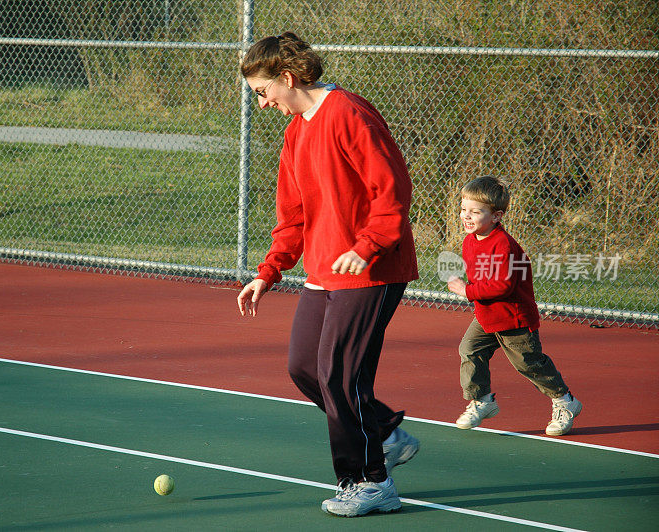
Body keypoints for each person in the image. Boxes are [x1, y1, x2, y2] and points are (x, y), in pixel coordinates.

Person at [236, 32, 420, 518]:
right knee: (304, 367)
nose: (262, 101)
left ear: (287, 78)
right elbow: (293, 214)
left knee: (340, 375)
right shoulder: (296, 130)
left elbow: (392, 187)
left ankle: (371, 482)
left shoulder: (348, 113)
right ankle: (382, 431)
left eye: (262, 91)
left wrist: (368, 246)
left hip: (371, 270)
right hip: (324, 270)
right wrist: (269, 271)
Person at [446, 175, 582, 436]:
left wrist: (467, 290)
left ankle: (566, 402)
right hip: (487, 316)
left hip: (514, 319)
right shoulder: (469, 241)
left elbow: (502, 286)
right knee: (469, 350)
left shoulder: (503, 245)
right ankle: (482, 401)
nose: (466, 216)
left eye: (475, 212)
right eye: (464, 209)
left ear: (496, 216)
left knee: (529, 364)